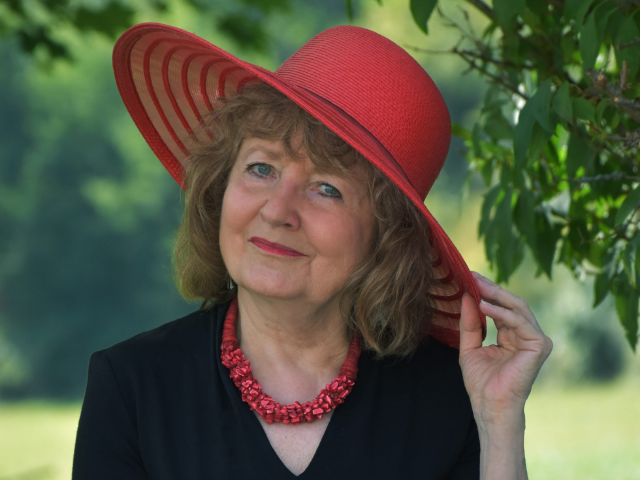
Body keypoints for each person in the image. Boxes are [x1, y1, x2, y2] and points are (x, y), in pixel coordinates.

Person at [72, 23, 553, 479]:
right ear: (220, 188)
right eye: (261, 168)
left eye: (326, 188)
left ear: (387, 238)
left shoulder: (452, 396)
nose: (278, 210)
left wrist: (498, 423)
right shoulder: (132, 386)